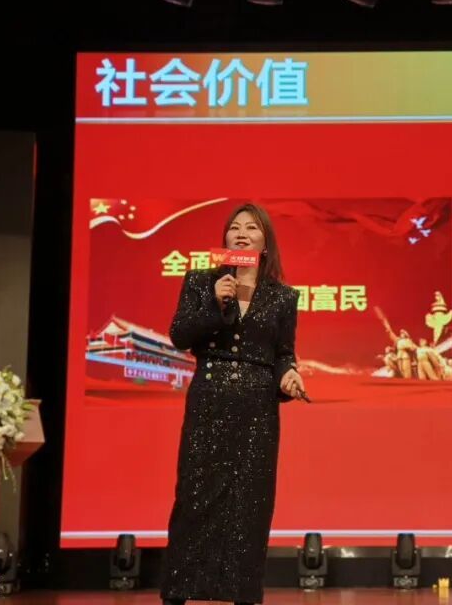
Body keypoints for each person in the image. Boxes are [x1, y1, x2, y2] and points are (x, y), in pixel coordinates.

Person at [160, 203, 306, 605]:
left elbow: (283, 353)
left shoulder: (283, 297)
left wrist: (289, 374)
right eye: (234, 228)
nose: (241, 233)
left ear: (265, 242)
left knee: (250, 504)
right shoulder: (201, 281)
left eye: (251, 228)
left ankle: (242, 594)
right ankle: (178, 593)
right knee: (195, 497)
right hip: (209, 403)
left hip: (258, 411)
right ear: (225, 239)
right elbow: (179, 335)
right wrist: (214, 302)